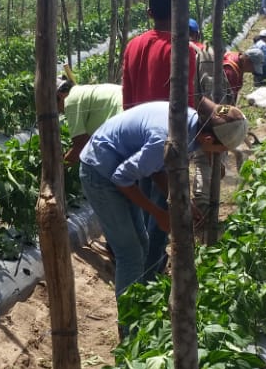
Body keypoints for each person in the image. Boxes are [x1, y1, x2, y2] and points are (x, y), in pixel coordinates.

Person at [79, 99, 247, 336]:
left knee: (143, 244)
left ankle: (138, 312)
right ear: (209, 139)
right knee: (130, 254)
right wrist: (158, 213)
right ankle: (129, 330)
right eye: (223, 150)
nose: (222, 155)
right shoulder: (168, 137)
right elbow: (121, 178)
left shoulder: (188, 125)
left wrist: (180, 199)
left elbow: (158, 167)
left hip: (118, 167)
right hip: (100, 173)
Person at [120, 0, 197, 110]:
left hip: (136, 126)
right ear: (180, 12)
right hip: (168, 128)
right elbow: (187, 104)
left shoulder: (132, 45)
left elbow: (126, 100)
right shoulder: (182, 50)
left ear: (149, 13)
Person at [58, 78, 123, 164]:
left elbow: (81, 146)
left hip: (123, 120)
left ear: (60, 95)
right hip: (132, 109)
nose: (60, 112)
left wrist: (61, 166)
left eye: (56, 107)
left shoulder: (70, 101)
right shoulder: (81, 92)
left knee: (89, 171)